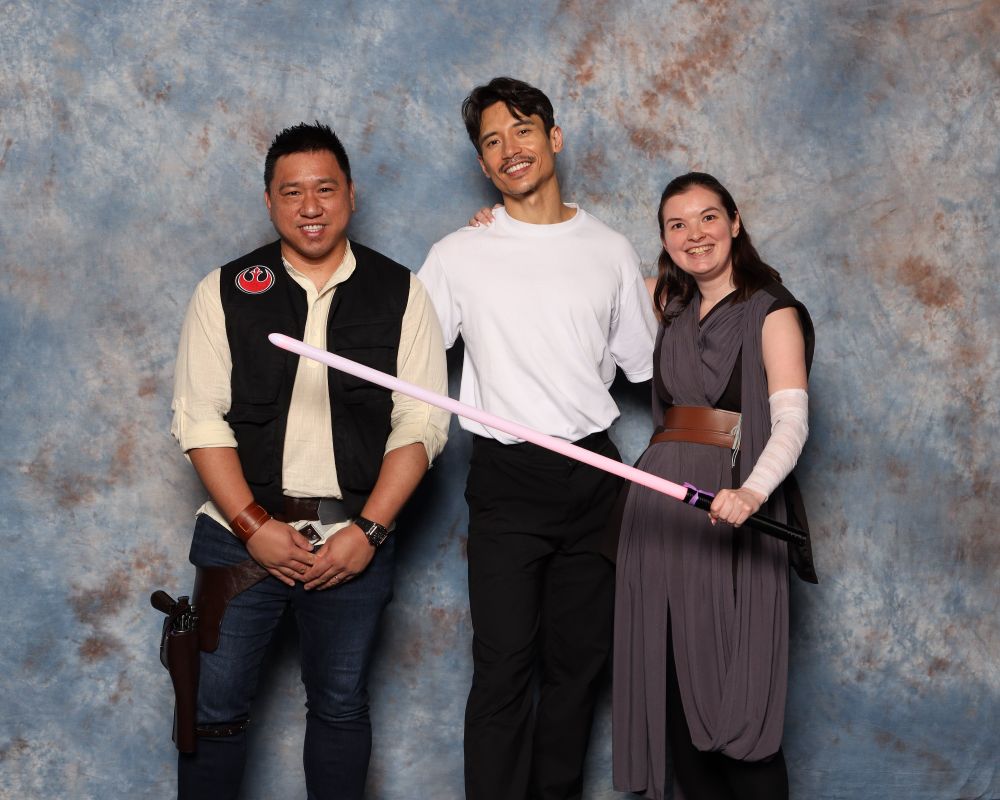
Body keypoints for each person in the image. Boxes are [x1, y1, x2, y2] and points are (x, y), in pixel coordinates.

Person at [170, 122, 449, 799]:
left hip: (353, 538)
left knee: (342, 706)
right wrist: (251, 525)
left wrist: (371, 532)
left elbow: (423, 419)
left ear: (350, 194)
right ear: (269, 202)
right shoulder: (226, 289)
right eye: (292, 192)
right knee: (213, 712)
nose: (311, 206)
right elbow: (199, 416)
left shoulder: (401, 292)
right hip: (241, 538)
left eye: (325, 188)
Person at [417, 77, 657, 800]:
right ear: (484, 167)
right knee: (502, 670)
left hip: (596, 477)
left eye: (522, 130)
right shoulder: (460, 252)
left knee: (577, 669)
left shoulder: (610, 249)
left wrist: (664, 292)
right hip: (507, 482)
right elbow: (407, 352)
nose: (509, 148)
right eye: (492, 141)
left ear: (553, 138)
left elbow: (645, 366)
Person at [612, 172, 817, 800]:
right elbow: (567, 287)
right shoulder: (661, 303)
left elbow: (790, 422)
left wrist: (751, 494)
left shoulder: (772, 308)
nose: (694, 234)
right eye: (677, 225)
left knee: (738, 700)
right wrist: (507, 225)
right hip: (657, 515)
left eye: (707, 218)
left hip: (731, 512)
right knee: (673, 690)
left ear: (734, 221)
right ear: (665, 241)